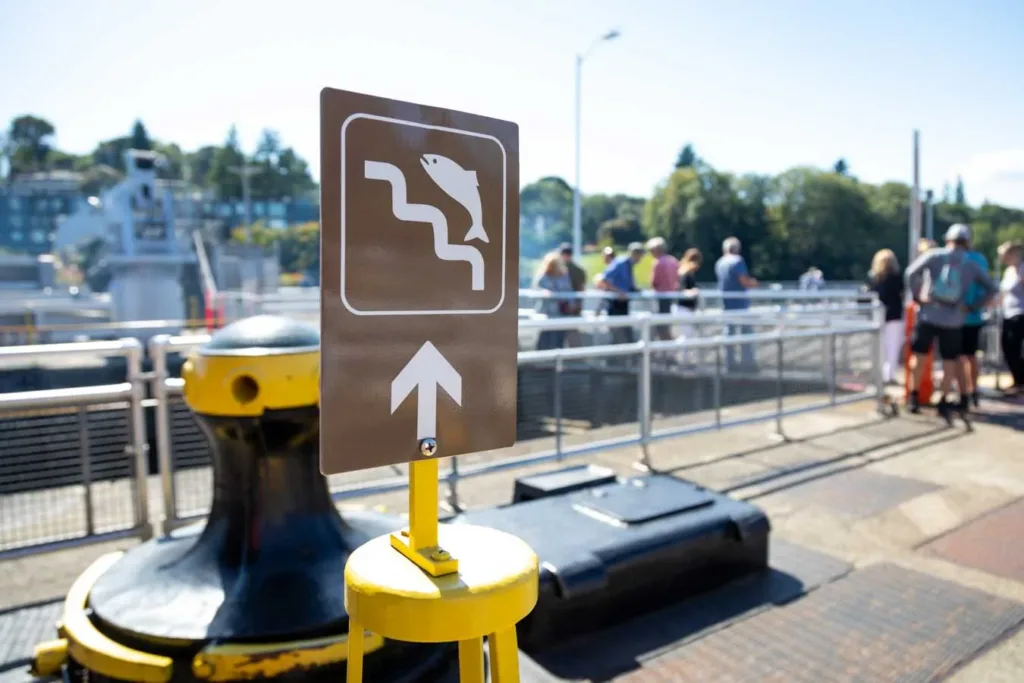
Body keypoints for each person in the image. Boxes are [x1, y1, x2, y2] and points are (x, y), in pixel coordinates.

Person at [904, 224, 998, 418]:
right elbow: (991, 288)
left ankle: (913, 396)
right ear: (967, 242)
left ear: (948, 239)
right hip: (954, 319)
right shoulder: (971, 264)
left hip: (929, 315)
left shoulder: (935, 255)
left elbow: (911, 273)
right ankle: (944, 399)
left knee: (919, 356)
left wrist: (918, 297)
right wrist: (972, 306)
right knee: (950, 361)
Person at [715, 237, 759, 369]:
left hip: (726, 303)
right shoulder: (738, 261)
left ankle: (730, 363)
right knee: (746, 333)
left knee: (729, 333)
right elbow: (744, 281)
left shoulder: (719, 262)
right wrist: (754, 283)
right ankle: (748, 363)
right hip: (740, 304)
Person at [960, 232, 990, 407]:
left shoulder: (955, 258)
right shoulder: (979, 259)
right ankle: (973, 390)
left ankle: (964, 393)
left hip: (957, 316)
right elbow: (988, 289)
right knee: (971, 356)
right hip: (974, 315)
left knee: (958, 357)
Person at [866, 249, 905, 384]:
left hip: (881, 316)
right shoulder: (898, 278)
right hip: (894, 316)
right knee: (892, 347)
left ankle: (882, 375)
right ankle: (888, 375)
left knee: (881, 347)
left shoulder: (874, 279)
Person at [602, 242, 645, 344]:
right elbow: (605, 279)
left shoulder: (629, 265)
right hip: (616, 304)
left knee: (626, 334)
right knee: (617, 334)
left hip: (624, 304)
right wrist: (619, 292)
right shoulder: (621, 263)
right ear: (635, 254)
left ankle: (627, 358)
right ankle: (613, 359)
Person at [997, 241, 1024, 395]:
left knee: (1015, 348)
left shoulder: (1022, 269)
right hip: (1008, 313)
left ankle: (1020, 381)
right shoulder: (1008, 271)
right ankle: (1018, 380)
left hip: (1020, 313)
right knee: (1007, 348)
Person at [532, 251, 573, 350]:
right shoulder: (544, 275)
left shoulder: (563, 275)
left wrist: (570, 304)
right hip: (547, 312)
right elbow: (537, 288)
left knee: (559, 336)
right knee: (545, 335)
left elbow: (568, 290)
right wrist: (544, 292)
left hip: (561, 311)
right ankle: (541, 358)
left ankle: (558, 360)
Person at [648, 237, 680, 340]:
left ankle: (665, 351)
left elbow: (654, 282)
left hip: (660, 298)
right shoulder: (673, 260)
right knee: (666, 324)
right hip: (672, 297)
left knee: (660, 327)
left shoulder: (657, 263)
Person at [677, 248, 703, 363]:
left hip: (685, 308)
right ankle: (683, 358)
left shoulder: (683, 271)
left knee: (688, 335)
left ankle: (685, 358)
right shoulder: (686, 272)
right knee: (687, 335)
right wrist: (693, 291)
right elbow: (682, 290)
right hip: (684, 308)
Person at [558, 243, 587, 347]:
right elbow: (582, 290)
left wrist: (575, 306)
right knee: (572, 333)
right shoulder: (579, 270)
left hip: (566, 307)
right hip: (571, 306)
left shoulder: (560, 269)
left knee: (566, 333)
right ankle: (575, 358)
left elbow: (580, 289)